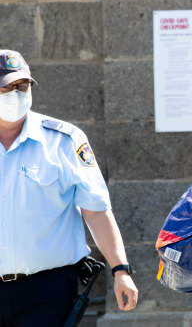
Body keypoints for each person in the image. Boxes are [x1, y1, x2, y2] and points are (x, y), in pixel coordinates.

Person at [0, 50, 138, 326]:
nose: (16, 94)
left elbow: (96, 211)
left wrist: (121, 270)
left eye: (22, 86)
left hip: (46, 289)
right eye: (6, 87)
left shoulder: (64, 140)